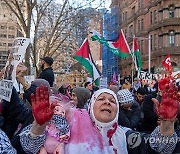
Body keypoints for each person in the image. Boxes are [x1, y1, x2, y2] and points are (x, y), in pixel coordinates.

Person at [19, 87, 178, 154]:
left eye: (112, 100)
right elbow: (28, 147)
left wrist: (168, 125)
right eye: (101, 99)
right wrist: (39, 126)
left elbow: (159, 148)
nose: (107, 102)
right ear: (90, 107)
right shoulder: (66, 128)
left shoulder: (126, 136)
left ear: (117, 110)